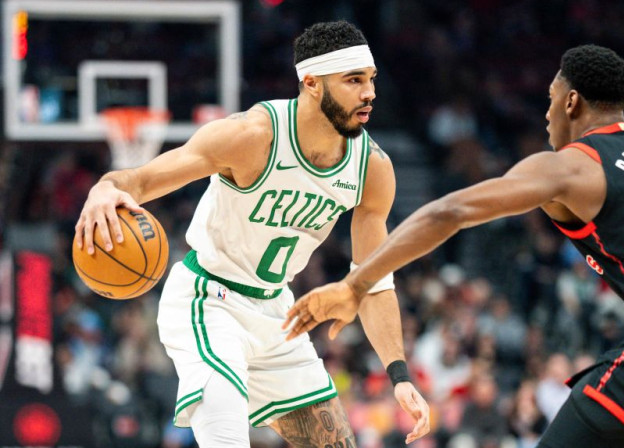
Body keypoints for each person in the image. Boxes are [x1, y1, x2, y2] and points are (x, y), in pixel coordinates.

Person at [284, 44, 624, 447]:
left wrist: (356, 284)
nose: (546, 116)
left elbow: (450, 211)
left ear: (571, 100)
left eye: (550, 100)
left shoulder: (571, 163)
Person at [74, 20, 430, 448]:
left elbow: (373, 282)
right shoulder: (252, 136)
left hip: (278, 313)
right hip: (208, 301)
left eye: (371, 79)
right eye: (353, 80)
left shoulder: (371, 168)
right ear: (312, 82)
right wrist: (104, 188)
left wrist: (399, 375)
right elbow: (144, 180)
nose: (369, 92)